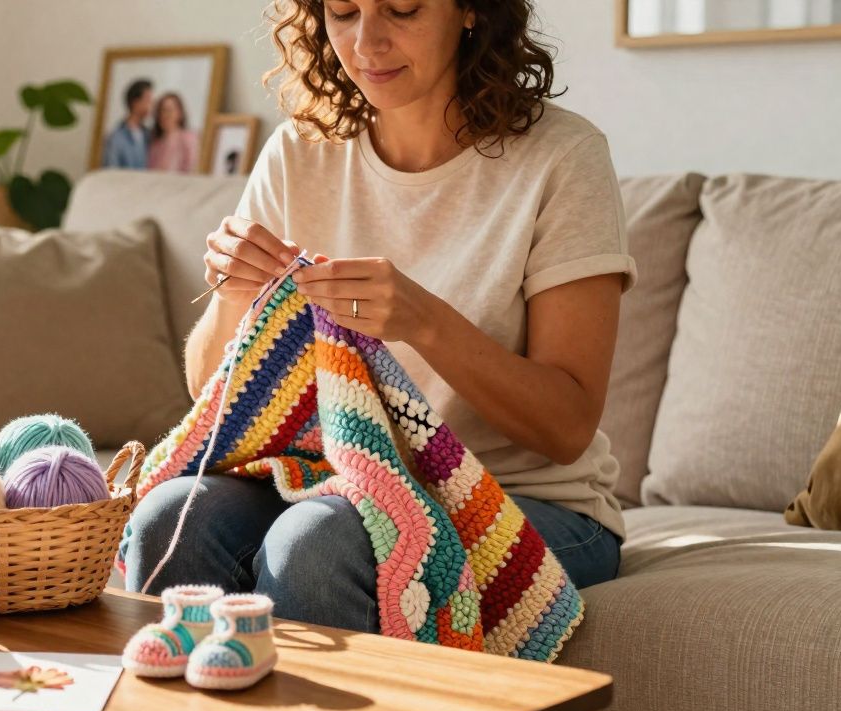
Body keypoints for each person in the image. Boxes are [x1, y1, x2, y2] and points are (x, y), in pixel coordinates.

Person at [122, 0, 637, 634]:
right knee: (174, 515)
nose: (367, 41)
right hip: (343, 480)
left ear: (471, 11)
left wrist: (423, 320)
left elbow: (567, 426)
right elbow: (212, 391)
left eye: (402, 8)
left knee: (319, 541)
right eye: (342, 12)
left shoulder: (562, 158)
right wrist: (233, 292)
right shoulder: (298, 153)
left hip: (524, 500)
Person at [101, 79, 153, 169]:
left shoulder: (149, 135)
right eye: (148, 100)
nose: (151, 105)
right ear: (135, 102)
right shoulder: (116, 137)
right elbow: (111, 171)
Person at [147, 93, 199, 173]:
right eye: (161, 111)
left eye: (169, 110)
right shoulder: (155, 142)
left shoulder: (188, 138)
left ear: (180, 113)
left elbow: (192, 168)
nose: (164, 115)